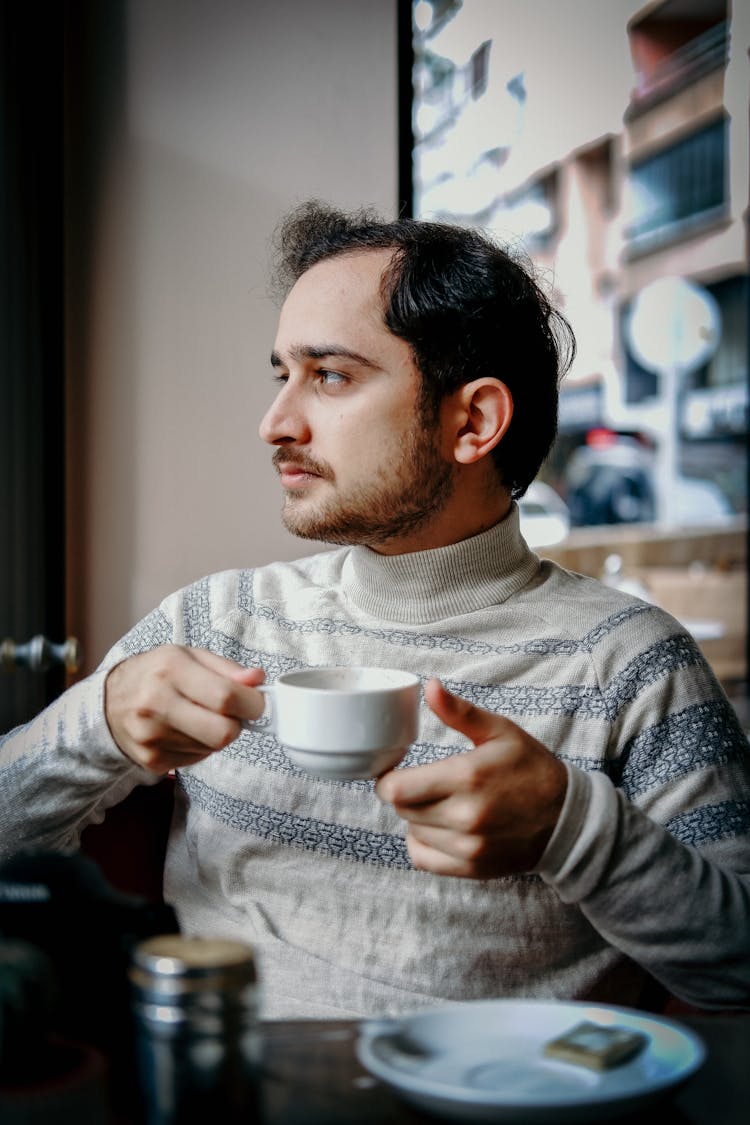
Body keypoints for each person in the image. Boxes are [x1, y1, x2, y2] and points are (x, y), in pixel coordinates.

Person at [1, 202, 748, 1019]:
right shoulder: (213, 622)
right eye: (282, 374)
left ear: (473, 421)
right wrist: (91, 720)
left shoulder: (631, 662)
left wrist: (574, 831)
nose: (275, 423)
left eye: (329, 375)